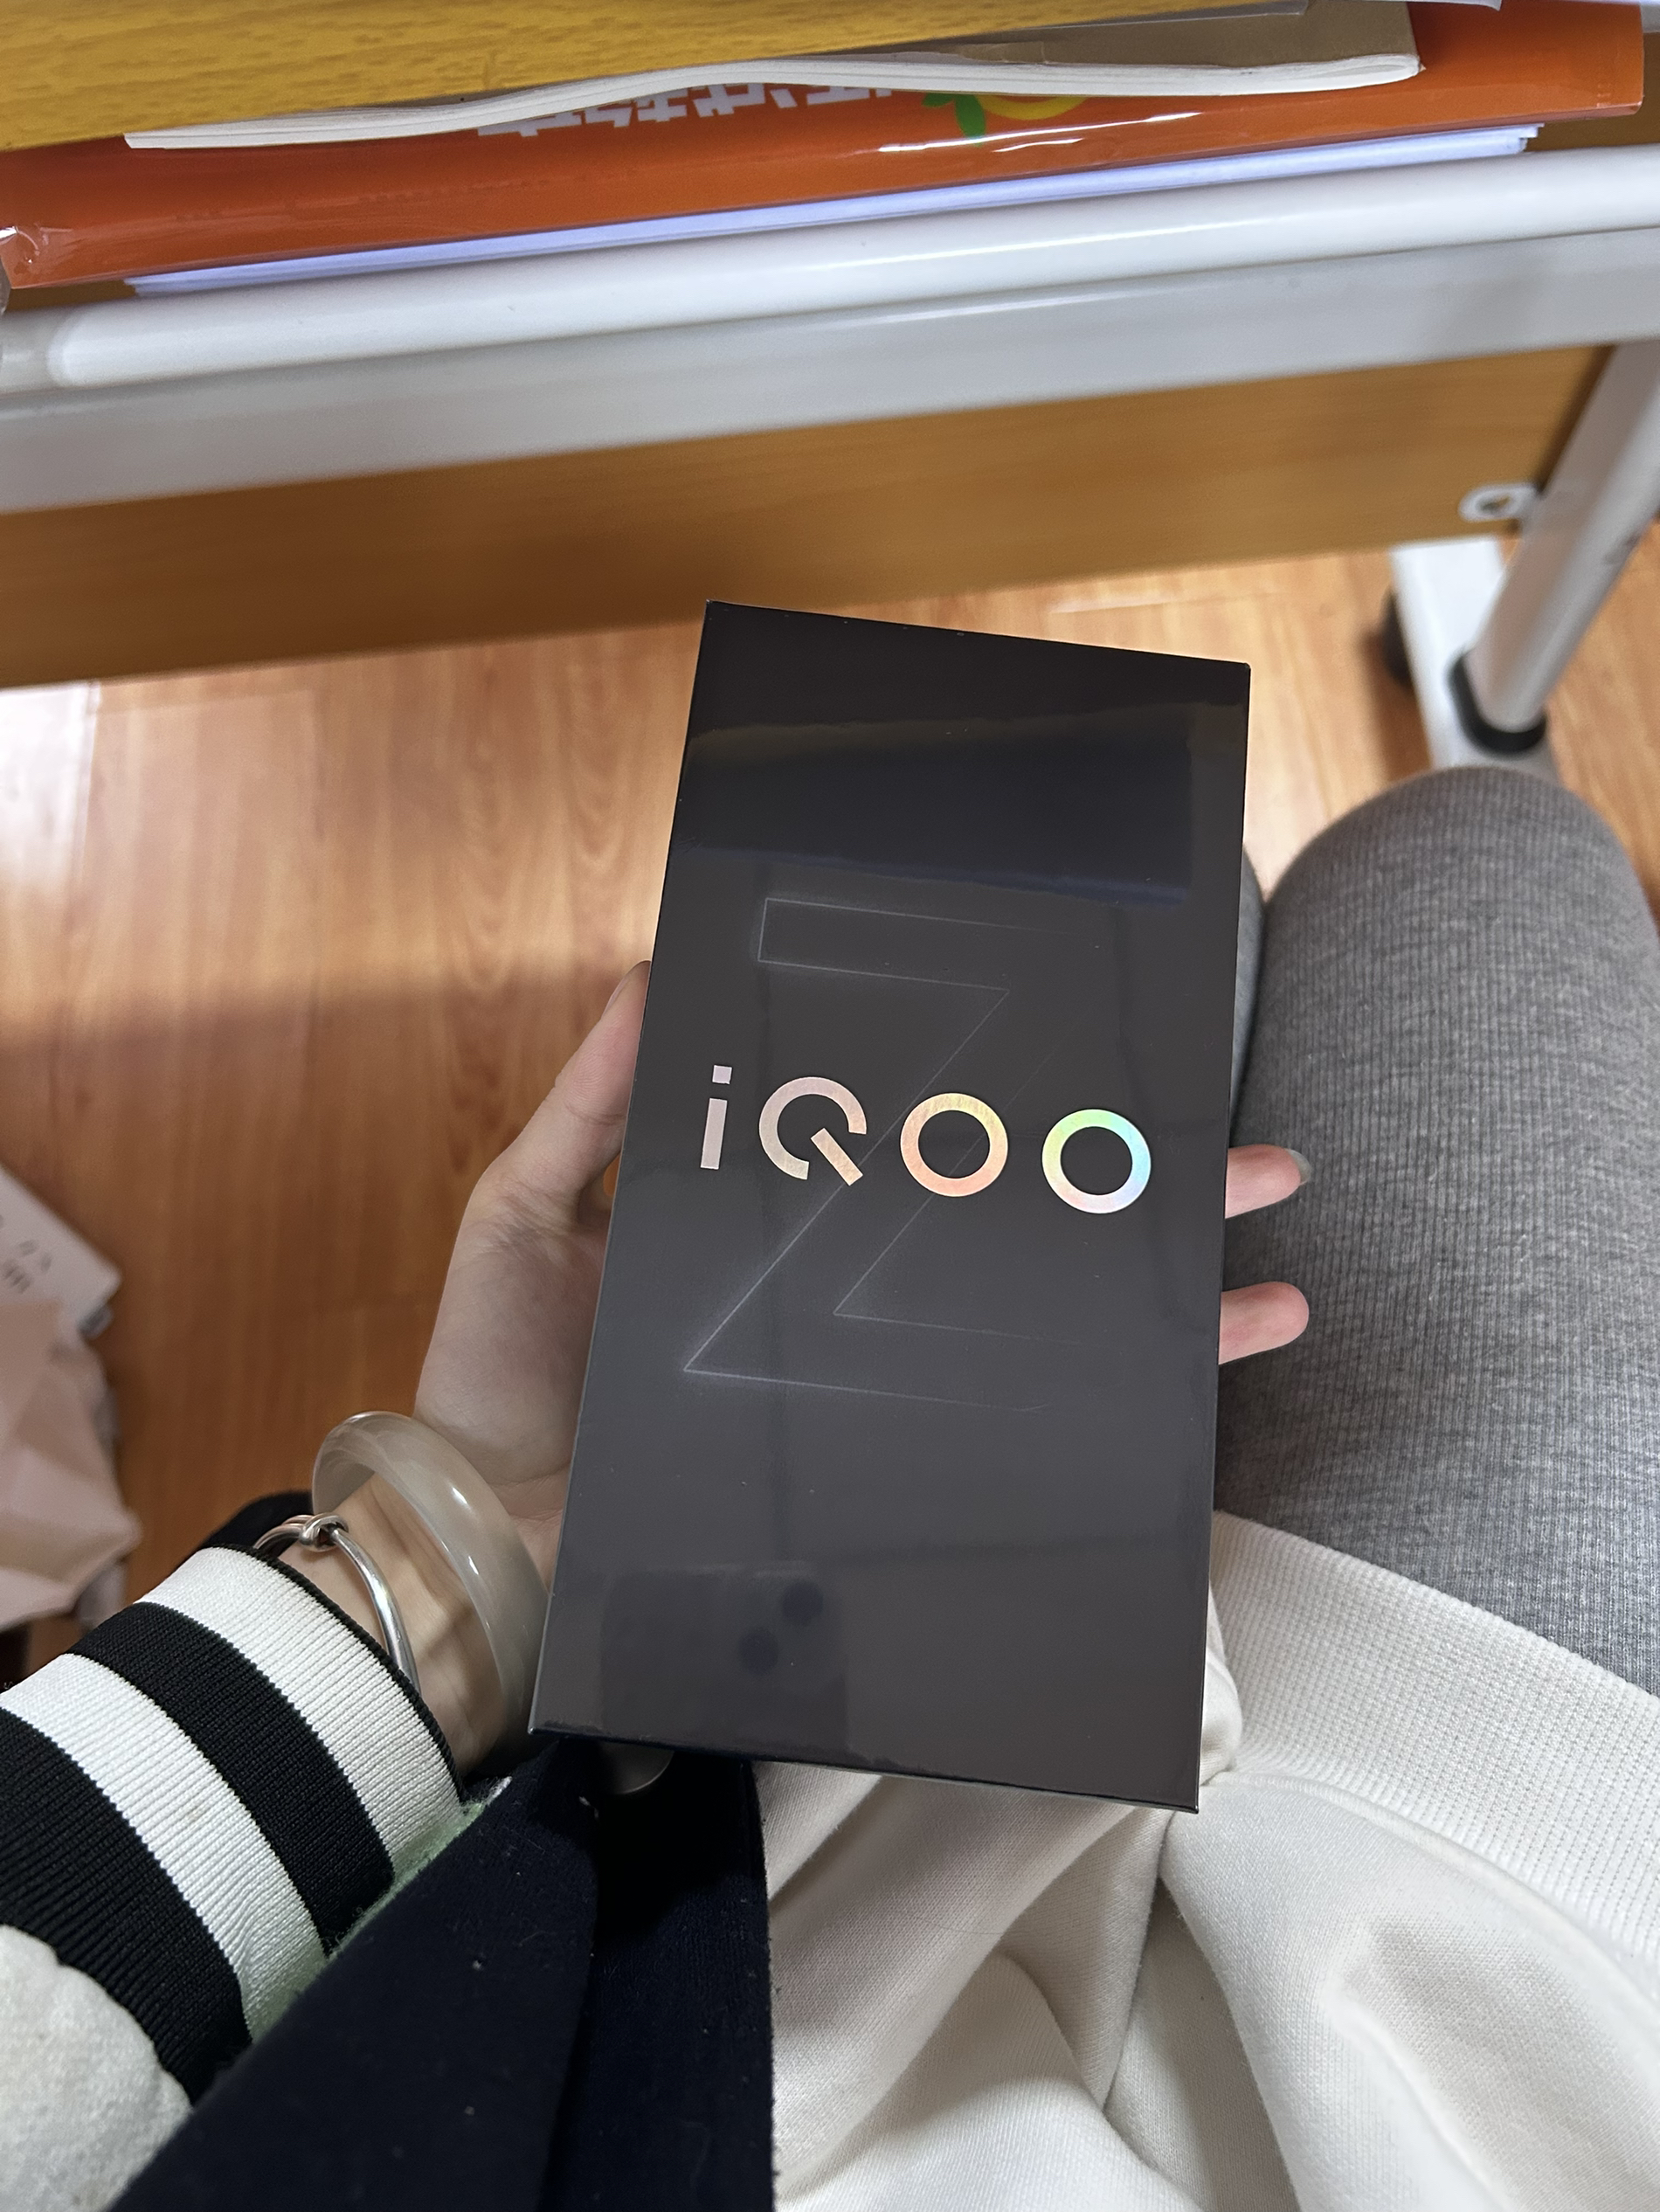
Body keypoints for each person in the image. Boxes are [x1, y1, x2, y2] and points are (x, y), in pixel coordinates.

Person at [2, 767, 1657, 2210]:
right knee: (1475, 851)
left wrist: (477, 1555)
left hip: (702, 1864)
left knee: (1118, 871)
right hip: (1437, 2061)